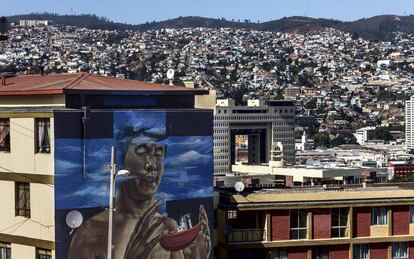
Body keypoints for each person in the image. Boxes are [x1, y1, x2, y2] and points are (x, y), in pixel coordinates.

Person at [67, 141, 211, 259]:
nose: (152, 164)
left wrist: (200, 256)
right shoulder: (90, 232)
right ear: (121, 160)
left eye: (159, 154)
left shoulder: (167, 228)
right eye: (142, 152)